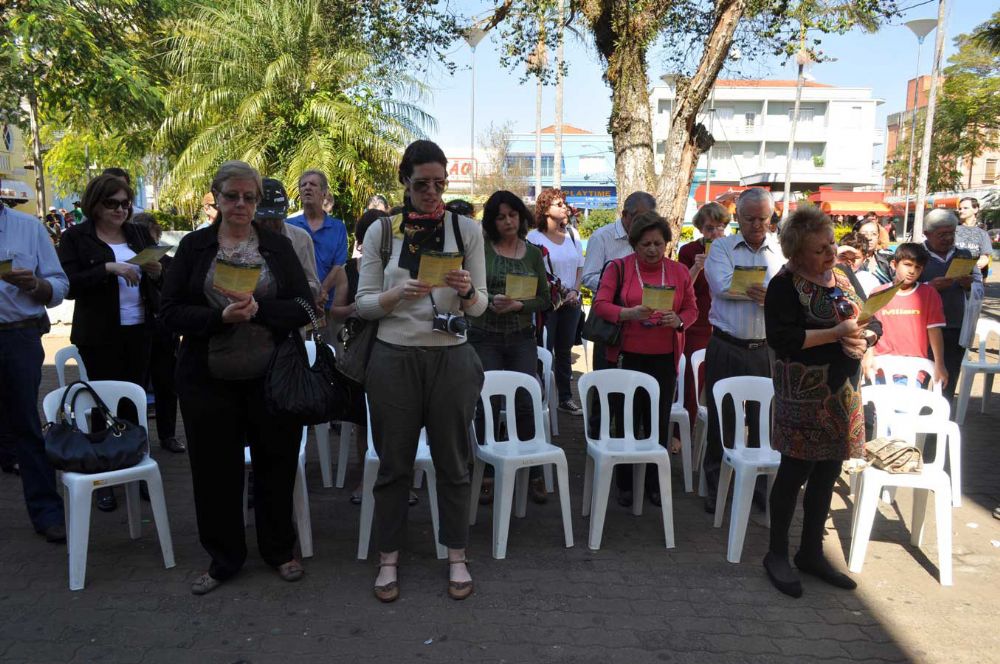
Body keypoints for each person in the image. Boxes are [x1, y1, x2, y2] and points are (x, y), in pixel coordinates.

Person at [160, 161, 312, 595]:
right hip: (208, 378)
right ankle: (224, 558)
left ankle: (280, 550)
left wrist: (261, 310)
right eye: (232, 196)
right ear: (216, 199)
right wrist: (218, 317)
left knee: (277, 465)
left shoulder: (277, 248)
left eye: (249, 197)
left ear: (258, 201)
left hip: (273, 377)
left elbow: (305, 307)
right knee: (214, 472)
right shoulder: (194, 247)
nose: (241, 204)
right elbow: (169, 313)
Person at [355, 140, 486, 602]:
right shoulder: (382, 233)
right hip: (393, 356)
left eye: (439, 183)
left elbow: (481, 306)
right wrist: (397, 296)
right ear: (404, 181)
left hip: (451, 355)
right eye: (421, 184)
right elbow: (364, 303)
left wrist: (468, 291)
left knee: (453, 460)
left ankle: (456, 554)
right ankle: (388, 557)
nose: (431, 192)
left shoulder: (465, 229)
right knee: (394, 463)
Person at [763, 206, 881, 598]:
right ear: (796, 253)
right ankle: (776, 554)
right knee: (794, 471)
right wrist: (835, 333)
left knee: (829, 471)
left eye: (831, 243)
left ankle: (811, 552)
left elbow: (872, 317)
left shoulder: (843, 275)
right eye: (820, 249)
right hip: (802, 394)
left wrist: (868, 337)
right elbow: (783, 338)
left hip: (843, 392)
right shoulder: (784, 285)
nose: (831, 253)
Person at [57, 174, 162, 513]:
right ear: (95, 204)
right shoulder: (76, 237)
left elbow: (158, 272)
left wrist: (156, 270)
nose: (120, 209)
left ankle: (134, 467)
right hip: (99, 333)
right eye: (112, 203)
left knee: (134, 401)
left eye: (125, 203)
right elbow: (68, 285)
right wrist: (108, 268)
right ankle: (104, 476)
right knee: (102, 404)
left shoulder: (136, 233)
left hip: (140, 326)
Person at [593, 211, 698, 507]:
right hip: (626, 356)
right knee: (626, 420)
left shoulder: (677, 271)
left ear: (666, 243)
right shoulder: (619, 268)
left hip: (664, 356)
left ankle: (654, 481)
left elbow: (692, 309)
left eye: (658, 243)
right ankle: (624, 481)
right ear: (634, 245)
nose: (652, 250)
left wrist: (678, 320)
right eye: (645, 244)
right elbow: (600, 305)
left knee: (657, 421)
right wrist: (627, 313)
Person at [701, 187, 786, 514]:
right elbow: (723, 285)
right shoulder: (721, 247)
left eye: (763, 218)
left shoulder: (780, 250)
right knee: (724, 420)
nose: (756, 225)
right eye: (749, 218)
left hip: (766, 348)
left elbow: (789, 289)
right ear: (737, 217)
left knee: (764, 421)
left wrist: (770, 294)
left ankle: (760, 490)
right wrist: (770, 292)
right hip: (726, 345)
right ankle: (716, 486)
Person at [468, 190, 550, 504]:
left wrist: (517, 305)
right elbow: (468, 292)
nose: (508, 221)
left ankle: (533, 473)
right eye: (501, 217)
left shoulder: (532, 254)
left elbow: (544, 298)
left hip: (520, 337)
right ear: (492, 221)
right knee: (484, 403)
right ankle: (485, 472)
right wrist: (488, 302)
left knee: (525, 402)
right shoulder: (481, 250)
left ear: (521, 217)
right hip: (483, 334)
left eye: (512, 215)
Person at [0, 200, 70, 543]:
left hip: (17, 336)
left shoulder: (28, 227)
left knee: (26, 426)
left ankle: (47, 512)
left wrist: (33, 285)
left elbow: (59, 284)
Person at [581, 191, 657, 371]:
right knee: (607, 379)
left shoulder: (649, 239)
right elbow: (588, 277)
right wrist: (619, 287)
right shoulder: (602, 237)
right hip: (610, 323)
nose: (645, 224)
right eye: (640, 218)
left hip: (642, 324)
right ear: (625, 215)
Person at [130, 213, 185, 454]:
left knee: (166, 384)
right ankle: (134, 438)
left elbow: (176, 292)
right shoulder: (126, 259)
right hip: (136, 331)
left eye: (149, 233)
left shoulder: (169, 261)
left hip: (163, 331)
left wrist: (158, 273)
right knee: (135, 386)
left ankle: (168, 434)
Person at [527, 188, 585, 415]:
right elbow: (535, 271)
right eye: (558, 204)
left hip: (571, 303)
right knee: (544, 351)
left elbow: (580, 266)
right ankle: (540, 399)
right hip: (548, 304)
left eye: (565, 203)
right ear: (545, 210)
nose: (565, 207)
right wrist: (558, 291)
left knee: (564, 351)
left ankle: (565, 398)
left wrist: (575, 292)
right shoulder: (534, 238)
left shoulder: (573, 234)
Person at [676, 202, 728, 443]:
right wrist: (698, 266)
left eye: (720, 227)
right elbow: (682, 289)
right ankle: (680, 434)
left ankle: (718, 435)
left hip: (723, 323)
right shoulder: (689, 251)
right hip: (697, 324)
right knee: (691, 382)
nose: (715, 233)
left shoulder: (731, 249)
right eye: (709, 228)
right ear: (700, 229)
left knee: (721, 382)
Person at [918, 209, 982, 402]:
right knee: (920, 377)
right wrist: (929, 287)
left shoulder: (964, 255)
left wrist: (970, 285)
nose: (947, 238)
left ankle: (939, 426)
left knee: (949, 378)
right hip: (924, 329)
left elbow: (978, 285)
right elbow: (902, 287)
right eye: (942, 234)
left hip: (955, 326)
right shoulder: (917, 255)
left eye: (951, 233)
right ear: (928, 234)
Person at [871, 243, 947, 386]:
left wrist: (940, 364)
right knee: (882, 408)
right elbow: (869, 329)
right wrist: (868, 357)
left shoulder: (929, 294)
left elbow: (935, 331)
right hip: (881, 365)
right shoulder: (878, 293)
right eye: (907, 264)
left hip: (915, 367)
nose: (912, 271)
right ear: (894, 264)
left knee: (905, 408)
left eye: (917, 267)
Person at [287, 170, 348, 332]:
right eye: (303, 185)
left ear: (324, 193)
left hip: (326, 306)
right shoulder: (288, 225)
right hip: (296, 305)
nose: (307, 188)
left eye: (313, 184)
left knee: (329, 353)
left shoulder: (338, 227)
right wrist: (308, 295)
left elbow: (338, 264)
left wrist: (321, 293)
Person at [254, 178, 321, 300]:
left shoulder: (301, 239)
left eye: (275, 219)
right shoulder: (240, 239)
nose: (269, 224)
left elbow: (312, 282)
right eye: (263, 220)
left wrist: (303, 291)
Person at [835, 232, 880, 297]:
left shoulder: (869, 280)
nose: (849, 261)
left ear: (864, 258)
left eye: (855, 258)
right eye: (844, 257)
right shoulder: (830, 275)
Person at [955, 197, 991, 277]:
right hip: (953, 276)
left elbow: (985, 257)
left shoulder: (983, 233)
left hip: (974, 278)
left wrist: (982, 262)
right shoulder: (952, 230)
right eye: (960, 208)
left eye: (965, 208)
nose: (961, 211)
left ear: (975, 209)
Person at [854, 218, 893, 285]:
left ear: (878, 237)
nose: (869, 238)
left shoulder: (888, 258)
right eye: (864, 234)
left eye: (874, 234)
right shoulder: (848, 261)